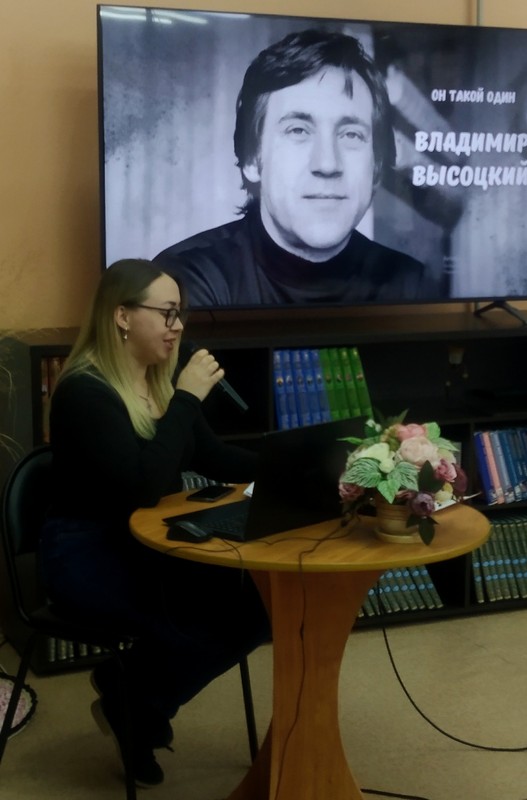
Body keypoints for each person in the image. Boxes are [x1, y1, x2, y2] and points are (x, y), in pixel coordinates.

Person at [39, 259, 269, 787]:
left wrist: (286, 467)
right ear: (122, 316)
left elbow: (214, 456)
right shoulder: (85, 392)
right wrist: (186, 399)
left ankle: (133, 699)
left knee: (258, 603)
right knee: (196, 618)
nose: (178, 326)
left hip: (149, 543)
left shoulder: (158, 382)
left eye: (180, 313)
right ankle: (136, 708)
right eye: (167, 313)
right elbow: (143, 485)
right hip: (86, 552)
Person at [154, 28, 425, 307]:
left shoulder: (413, 283)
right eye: (298, 130)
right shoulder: (185, 279)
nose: (327, 164)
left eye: (351, 135)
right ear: (252, 159)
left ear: (376, 167)